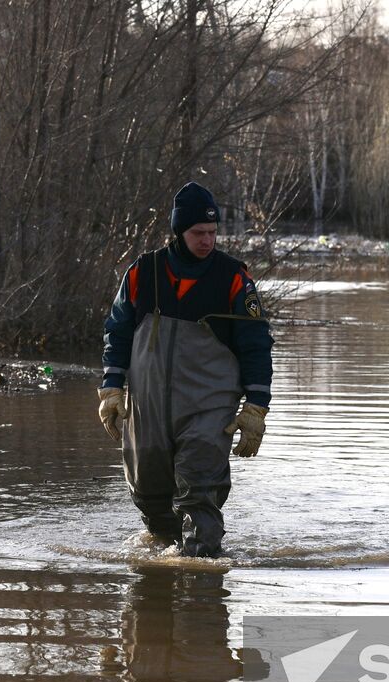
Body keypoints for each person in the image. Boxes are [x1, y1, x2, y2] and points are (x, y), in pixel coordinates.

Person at [98, 182, 273, 558]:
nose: (207, 240)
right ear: (179, 231)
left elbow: (256, 344)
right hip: (148, 406)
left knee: (199, 494)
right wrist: (111, 389)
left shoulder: (234, 280)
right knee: (149, 494)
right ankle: (163, 577)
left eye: (212, 232)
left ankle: (203, 587)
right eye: (198, 232)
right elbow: (117, 330)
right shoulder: (141, 273)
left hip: (208, 408)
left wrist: (256, 407)